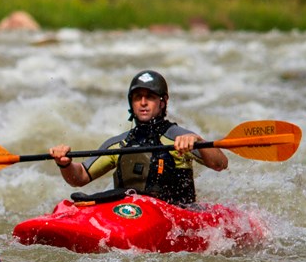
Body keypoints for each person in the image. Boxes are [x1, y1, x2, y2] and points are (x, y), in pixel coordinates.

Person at [49, 70, 228, 206]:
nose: (143, 102)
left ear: (163, 102)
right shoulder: (119, 144)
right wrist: (64, 163)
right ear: (131, 102)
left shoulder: (178, 138)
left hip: (174, 217)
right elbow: (79, 177)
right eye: (137, 97)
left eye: (149, 97)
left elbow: (220, 164)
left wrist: (199, 141)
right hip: (128, 215)